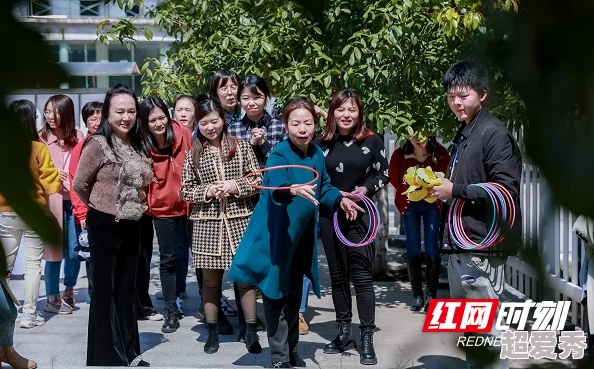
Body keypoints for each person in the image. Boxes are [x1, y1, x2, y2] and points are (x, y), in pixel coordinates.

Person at [229, 97, 363, 368]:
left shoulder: (315, 153)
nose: (303, 129)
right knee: (275, 297)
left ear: (315, 125)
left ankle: (291, 352)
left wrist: (340, 200)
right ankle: (279, 360)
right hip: (276, 239)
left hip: (299, 241)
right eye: (296, 123)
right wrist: (291, 189)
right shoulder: (279, 152)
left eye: (308, 123)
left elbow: (323, 185)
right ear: (286, 126)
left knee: (292, 300)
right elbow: (275, 181)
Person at [430, 61, 522, 369]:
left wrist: (454, 190)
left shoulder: (493, 134)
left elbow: (505, 190)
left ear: (482, 94)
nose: (456, 102)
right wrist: (443, 190)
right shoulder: (467, 130)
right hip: (462, 245)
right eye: (451, 95)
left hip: (482, 245)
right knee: (471, 328)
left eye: (464, 95)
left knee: (485, 329)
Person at [74, 83, 153, 367]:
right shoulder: (96, 144)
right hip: (104, 223)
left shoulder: (138, 143)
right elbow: (80, 184)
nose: (126, 117)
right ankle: (106, 354)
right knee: (105, 290)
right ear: (107, 113)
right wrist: (101, 206)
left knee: (127, 288)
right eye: (119, 111)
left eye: (131, 111)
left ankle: (130, 350)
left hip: (133, 220)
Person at [180, 99, 262, 354]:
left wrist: (236, 186)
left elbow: (257, 179)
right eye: (203, 123)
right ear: (197, 124)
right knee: (211, 283)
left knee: (244, 280)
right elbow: (185, 190)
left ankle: (249, 331)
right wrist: (207, 190)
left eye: (214, 121)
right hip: (207, 225)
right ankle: (212, 332)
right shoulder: (193, 154)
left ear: (223, 119)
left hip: (240, 221)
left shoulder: (242, 147)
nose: (210, 127)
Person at [316, 89, 388, 365]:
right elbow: (318, 179)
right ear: (332, 112)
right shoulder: (321, 142)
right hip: (330, 213)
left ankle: (366, 334)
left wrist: (365, 190)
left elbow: (385, 172)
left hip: (360, 215)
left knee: (361, 276)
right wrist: (337, 197)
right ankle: (344, 330)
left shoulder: (372, 140)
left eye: (352, 110)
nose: (347, 115)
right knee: (337, 276)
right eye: (341, 109)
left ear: (360, 113)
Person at [1, 100, 60, 333]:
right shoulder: (38, 147)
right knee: (33, 266)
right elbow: (51, 181)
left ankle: (5, 311)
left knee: (4, 266)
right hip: (33, 213)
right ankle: (29, 314)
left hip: (6, 212)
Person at [139, 96, 192, 333]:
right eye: (152, 120)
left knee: (200, 256)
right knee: (168, 259)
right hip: (162, 209)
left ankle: (212, 307)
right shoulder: (141, 144)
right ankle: (171, 309)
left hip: (192, 203)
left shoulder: (184, 133)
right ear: (145, 123)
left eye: (162, 117)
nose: (159, 123)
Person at [389, 134, 450, 311]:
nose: (419, 139)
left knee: (432, 247)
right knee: (412, 248)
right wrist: (409, 188)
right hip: (410, 204)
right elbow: (394, 178)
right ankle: (417, 295)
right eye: (414, 134)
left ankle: (431, 295)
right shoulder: (400, 154)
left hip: (432, 203)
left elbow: (445, 173)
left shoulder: (439, 152)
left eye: (423, 134)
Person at [39, 94, 84, 314]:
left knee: (75, 251)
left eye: (55, 112)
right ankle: (51, 297)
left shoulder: (79, 137)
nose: (50, 117)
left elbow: (85, 171)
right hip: (51, 203)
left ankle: (69, 290)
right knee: (53, 252)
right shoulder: (40, 138)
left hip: (74, 202)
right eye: (47, 112)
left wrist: (72, 180)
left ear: (66, 113)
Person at [69, 101, 102, 300]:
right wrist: (82, 214)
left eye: (101, 117)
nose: (97, 122)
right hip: (90, 212)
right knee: (92, 257)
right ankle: (95, 295)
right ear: (86, 122)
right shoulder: (80, 148)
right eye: (92, 119)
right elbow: (75, 182)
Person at [229, 74, 285, 168]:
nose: (251, 103)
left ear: (266, 97)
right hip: (246, 182)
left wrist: (264, 144)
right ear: (239, 100)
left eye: (256, 97)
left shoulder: (280, 127)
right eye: (246, 98)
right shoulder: (232, 130)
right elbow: (232, 165)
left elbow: (285, 160)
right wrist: (250, 145)